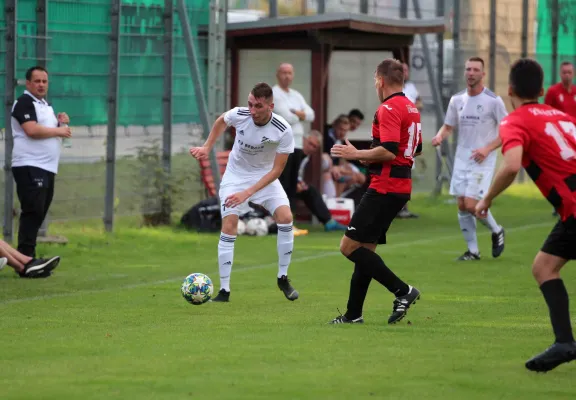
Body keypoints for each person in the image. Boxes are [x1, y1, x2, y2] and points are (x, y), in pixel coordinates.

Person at [476, 58, 576, 372]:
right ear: (544, 90)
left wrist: (487, 199)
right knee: (544, 265)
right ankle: (564, 342)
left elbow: (511, 165)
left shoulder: (515, 121)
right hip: (571, 209)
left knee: (545, 267)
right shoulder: (561, 117)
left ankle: (564, 342)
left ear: (509, 90)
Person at [328, 58, 423, 325]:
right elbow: (414, 149)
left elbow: (390, 150)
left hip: (384, 187)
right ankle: (353, 314)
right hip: (399, 186)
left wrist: (357, 153)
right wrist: (371, 157)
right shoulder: (411, 108)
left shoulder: (389, 107)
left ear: (380, 80)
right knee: (365, 250)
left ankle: (403, 291)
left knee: (348, 247)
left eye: (374, 80)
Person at [189, 82, 298, 303]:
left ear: (270, 106)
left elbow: (277, 170)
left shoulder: (283, 129)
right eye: (250, 104)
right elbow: (221, 120)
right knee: (229, 225)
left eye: (258, 106)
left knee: (286, 217)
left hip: (265, 177)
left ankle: (283, 277)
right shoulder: (240, 115)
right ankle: (224, 291)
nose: (252, 111)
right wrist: (207, 147)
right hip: (235, 177)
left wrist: (247, 193)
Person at [432, 56, 507, 261]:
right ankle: (473, 251)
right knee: (462, 205)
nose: (471, 73)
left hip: (483, 160)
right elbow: (448, 126)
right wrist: (439, 136)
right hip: (462, 158)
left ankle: (497, 230)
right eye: (468, 69)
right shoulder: (457, 100)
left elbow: (507, 132)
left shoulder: (493, 101)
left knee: (473, 204)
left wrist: (487, 148)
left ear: (483, 74)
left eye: (475, 70)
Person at [11, 66, 71, 258]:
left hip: (47, 167)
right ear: (28, 83)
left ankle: (27, 257)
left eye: (44, 81)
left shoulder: (46, 105)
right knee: (33, 211)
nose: (41, 85)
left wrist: (61, 123)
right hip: (29, 164)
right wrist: (59, 131)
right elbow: (32, 130)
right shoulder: (24, 103)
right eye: (37, 81)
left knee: (39, 212)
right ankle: (25, 259)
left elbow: (49, 131)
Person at [272, 63, 315, 236]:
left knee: (291, 185)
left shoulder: (296, 95)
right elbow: (286, 117)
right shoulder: (274, 93)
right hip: (283, 144)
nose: (287, 76)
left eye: (290, 73)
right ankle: (280, 222)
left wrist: (298, 113)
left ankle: (288, 222)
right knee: (282, 184)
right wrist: (300, 114)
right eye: (283, 73)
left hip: (297, 144)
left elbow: (311, 114)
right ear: (278, 74)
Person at [296, 130, 347, 232]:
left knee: (311, 190)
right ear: (303, 140)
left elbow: (297, 173)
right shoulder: (293, 150)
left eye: (315, 147)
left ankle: (329, 222)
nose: (311, 148)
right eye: (310, 144)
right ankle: (286, 223)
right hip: (277, 183)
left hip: (291, 183)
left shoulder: (306, 156)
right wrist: (295, 183)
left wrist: (300, 182)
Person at [544, 61, 576, 217]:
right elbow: (546, 114)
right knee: (559, 172)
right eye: (564, 72)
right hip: (560, 141)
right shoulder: (553, 92)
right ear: (560, 74)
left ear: (573, 73)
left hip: (574, 139)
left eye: (570, 72)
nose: (567, 76)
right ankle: (558, 203)